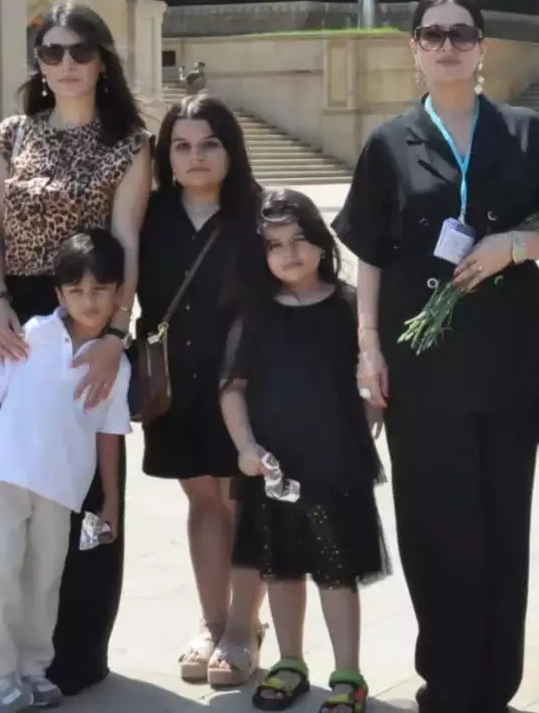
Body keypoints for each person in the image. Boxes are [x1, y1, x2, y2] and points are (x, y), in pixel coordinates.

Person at [333, 0, 539, 713]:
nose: (448, 46)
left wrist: (512, 245)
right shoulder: (389, 142)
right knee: (435, 529)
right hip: (422, 367)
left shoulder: (522, 131)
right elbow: (370, 254)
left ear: (482, 47)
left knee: (502, 527)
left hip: (507, 362)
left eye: (461, 34)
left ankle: (494, 687)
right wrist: (368, 346)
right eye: (433, 34)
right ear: (414, 47)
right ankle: (446, 685)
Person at [0, 0, 152, 695]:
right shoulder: (13, 133)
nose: (67, 63)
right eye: (52, 51)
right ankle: (12, 656)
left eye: (81, 50)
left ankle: (75, 652)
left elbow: (127, 242)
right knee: (20, 486)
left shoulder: (128, 141)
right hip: (20, 320)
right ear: (39, 63)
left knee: (88, 483)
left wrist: (115, 335)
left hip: (90, 319)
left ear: (102, 59)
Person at [222, 189, 386, 713]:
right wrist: (245, 446)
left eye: (298, 240)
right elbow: (232, 388)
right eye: (275, 245)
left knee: (337, 571)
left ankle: (348, 674)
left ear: (321, 242)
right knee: (281, 568)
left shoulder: (349, 306)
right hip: (275, 466)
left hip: (335, 462)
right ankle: (289, 661)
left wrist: (370, 413)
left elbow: (371, 379)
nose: (289, 254)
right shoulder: (255, 312)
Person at [0, 229, 131, 710]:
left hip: (62, 486)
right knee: (0, 570)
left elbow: (109, 435)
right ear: (59, 295)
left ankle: (34, 667)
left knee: (45, 577)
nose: (89, 301)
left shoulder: (116, 364)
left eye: (100, 290)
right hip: (5, 471)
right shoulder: (34, 332)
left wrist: (111, 500)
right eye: (77, 290)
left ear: (118, 293)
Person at [138, 94, 267, 686]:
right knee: (202, 501)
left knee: (243, 502)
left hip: (244, 382)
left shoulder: (260, 214)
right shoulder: (149, 213)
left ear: (231, 150)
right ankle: (211, 623)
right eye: (182, 146)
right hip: (173, 380)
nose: (196, 157)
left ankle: (244, 628)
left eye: (210, 143)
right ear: (165, 155)